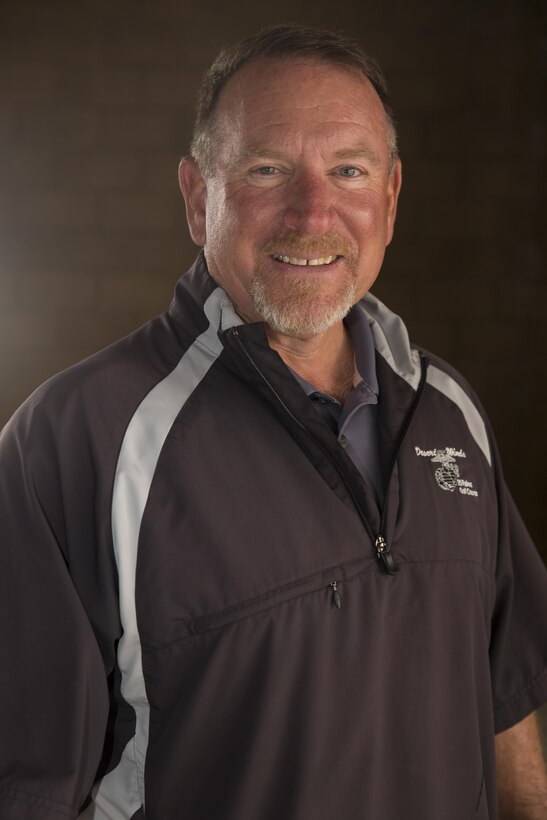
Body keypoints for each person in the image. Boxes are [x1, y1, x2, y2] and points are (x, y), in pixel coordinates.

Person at [0, 23, 546, 820]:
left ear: (389, 200)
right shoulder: (75, 439)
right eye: (267, 170)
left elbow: (505, 701)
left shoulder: (449, 411)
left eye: (349, 171)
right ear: (198, 198)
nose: (313, 210)